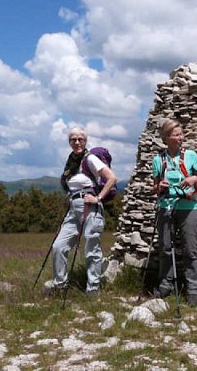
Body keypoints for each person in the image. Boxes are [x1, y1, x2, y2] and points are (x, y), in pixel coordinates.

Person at [49, 126, 117, 296]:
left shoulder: (91, 158)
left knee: (91, 249)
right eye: (73, 139)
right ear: (69, 142)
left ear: (85, 141)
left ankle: (92, 288)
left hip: (90, 207)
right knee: (58, 246)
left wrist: (98, 198)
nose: (77, 142)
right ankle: (60, 285)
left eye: (81, 139)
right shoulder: (71, 161)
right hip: (74, 208)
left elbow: (112, 178)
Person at [151, 119, 197, 307]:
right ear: (166, 138)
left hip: (189, 207)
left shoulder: (190, 155)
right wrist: (160, 186)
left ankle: (193, 291)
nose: (181, 138)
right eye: (176, 134)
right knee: (165, 248)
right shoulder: (158, 160)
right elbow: (155, 187)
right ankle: (166, 285)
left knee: (190, 250)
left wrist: (192, 179)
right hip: (165, 206)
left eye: (181, 134)